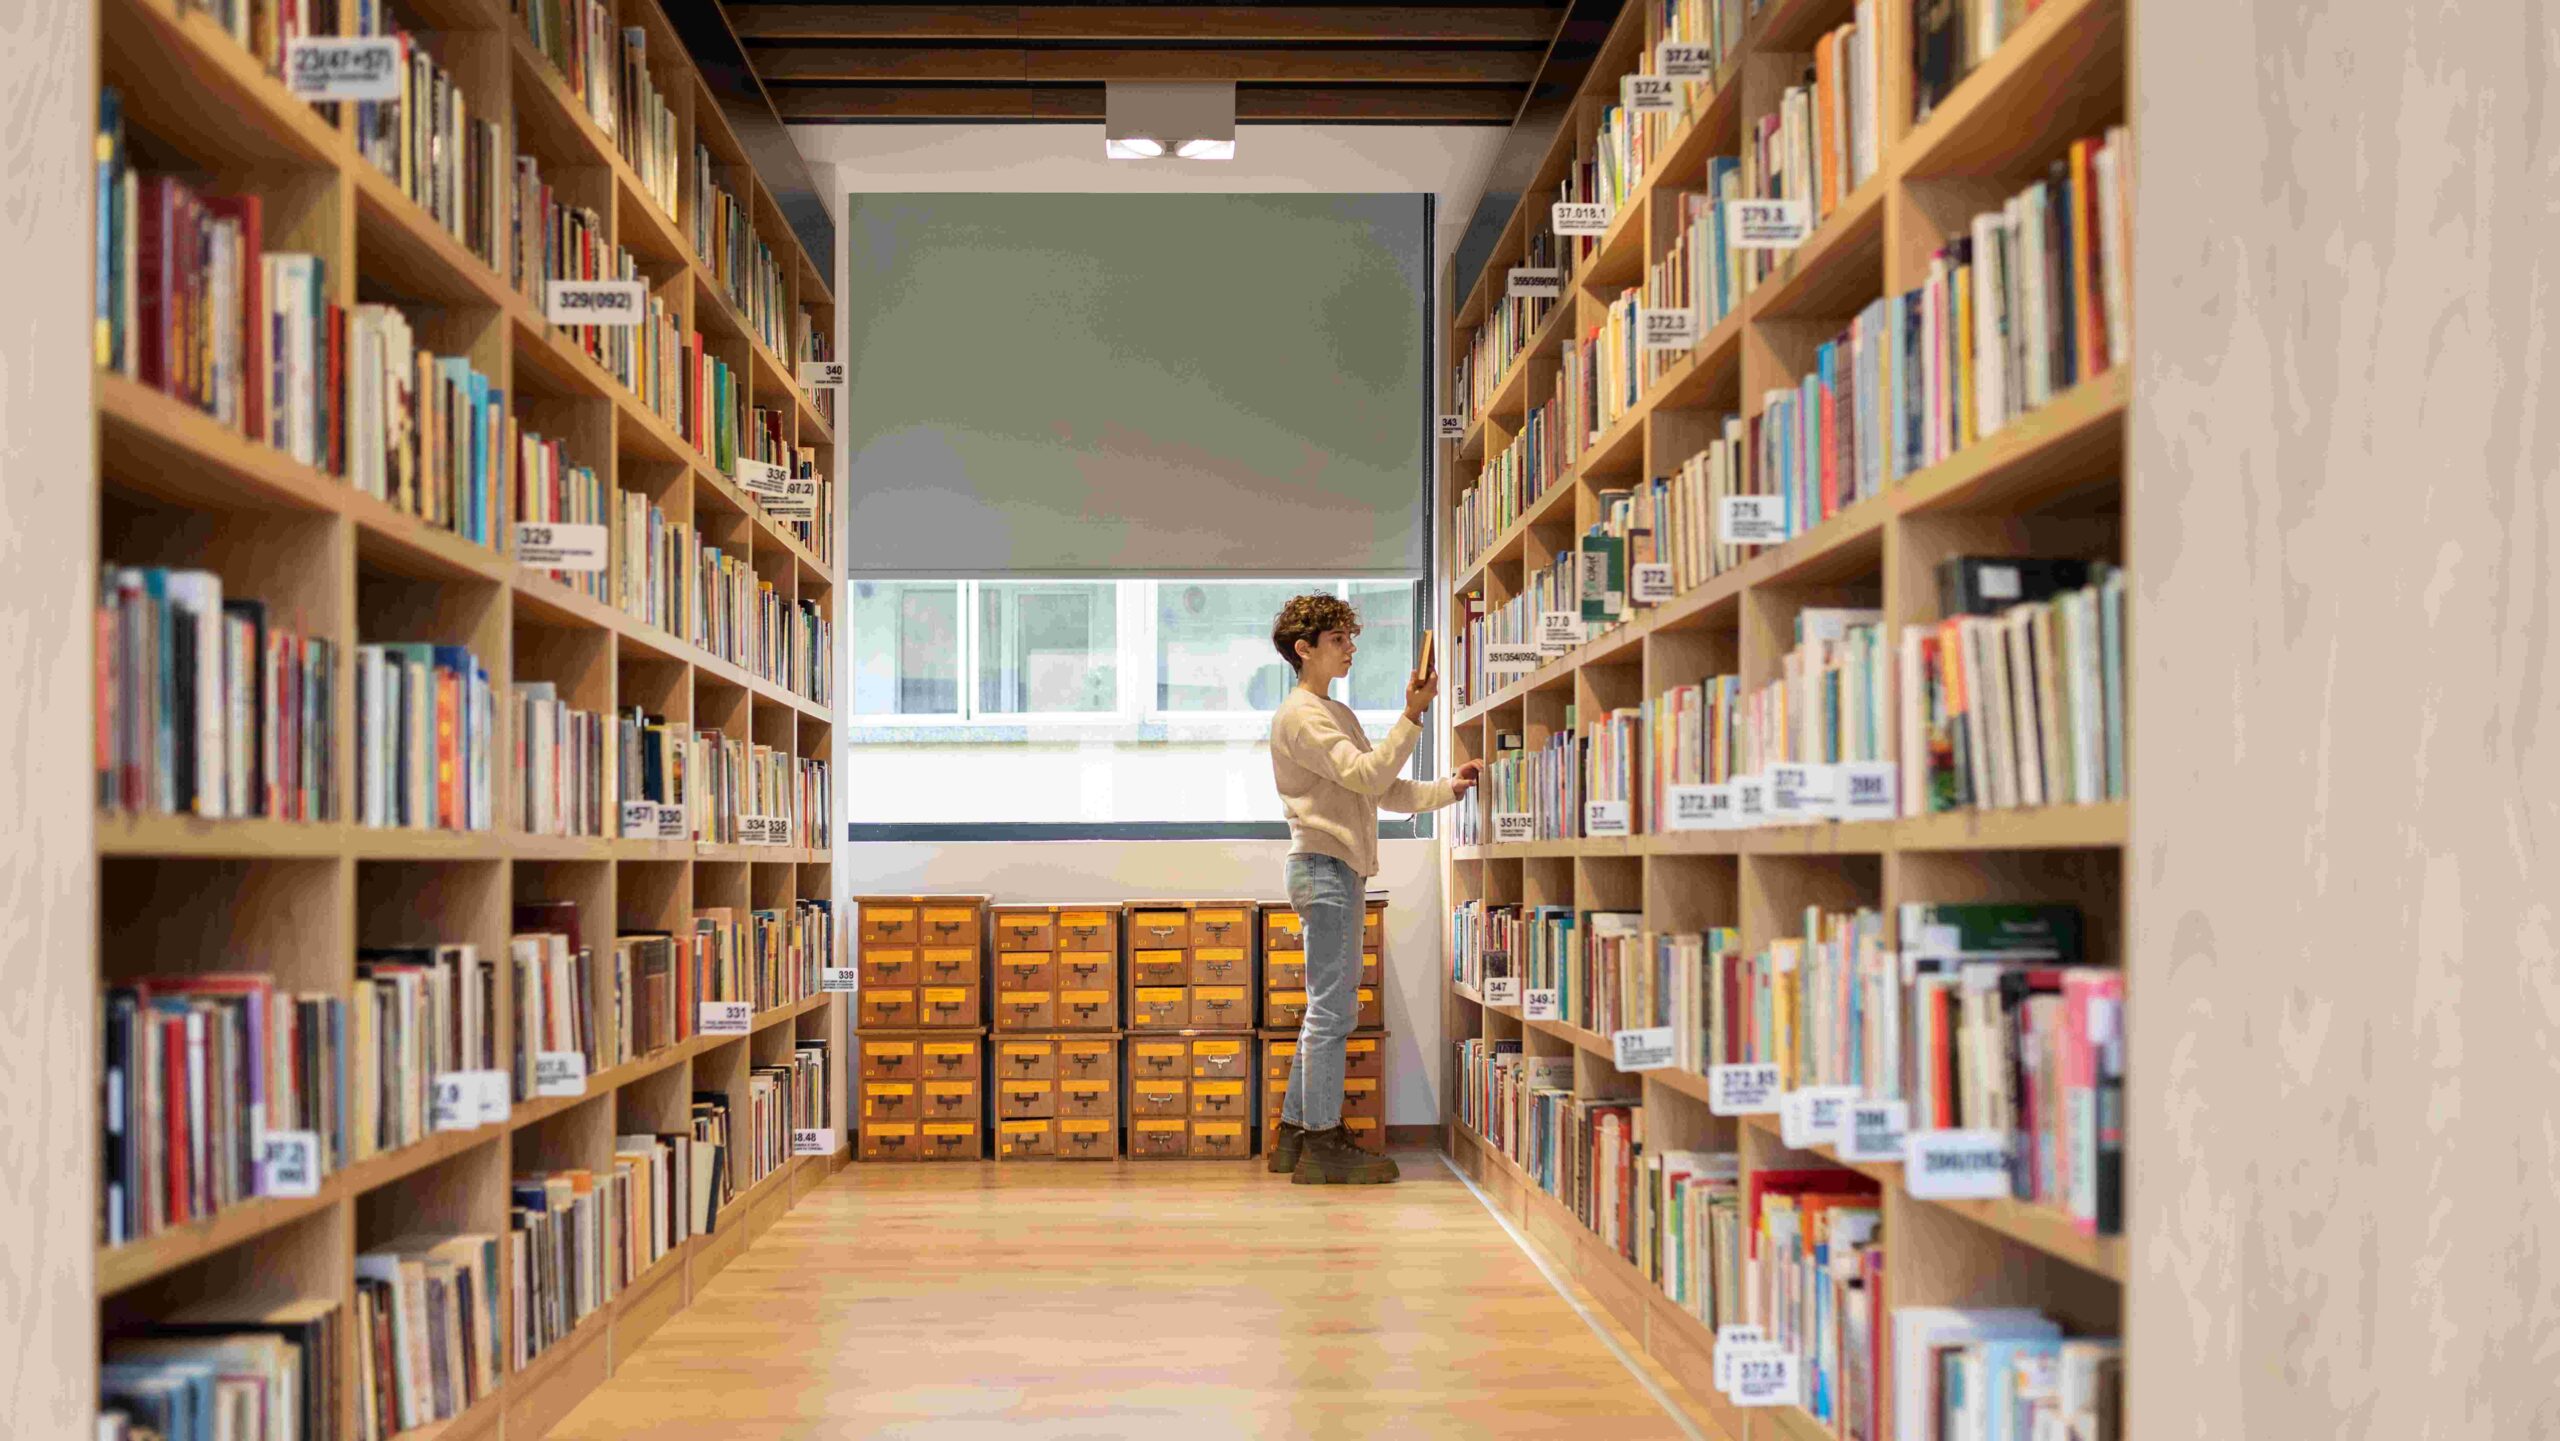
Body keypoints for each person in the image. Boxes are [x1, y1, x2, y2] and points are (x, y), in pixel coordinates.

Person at [1264, 594, 1480, 1185]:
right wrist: (1411, 715)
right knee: (1332, 1012)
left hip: (1335, 869)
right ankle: (1322, 1143)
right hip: (1325, 868)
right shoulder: (1302, 716)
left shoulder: (1335, 714)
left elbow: (1381, 789)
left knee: (1326, 1009)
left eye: (1350, 638)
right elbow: (1367, 775)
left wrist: (1447, 790)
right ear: (1304, 649)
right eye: (1338, 640)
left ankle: (1295, 1137)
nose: (1351, 648)